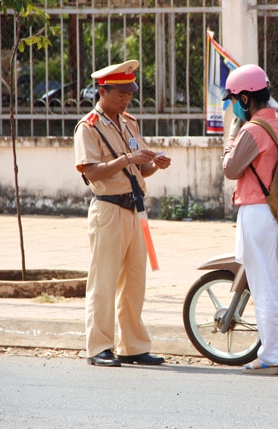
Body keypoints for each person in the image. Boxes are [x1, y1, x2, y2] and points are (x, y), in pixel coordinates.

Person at [74, 60, 171, 367]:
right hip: (109, 210)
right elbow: (92, 172)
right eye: (120, 93)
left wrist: (155, 163)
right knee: (103, 282)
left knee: (134, 281)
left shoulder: (130, 123)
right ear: (103, 90)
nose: (126, 98)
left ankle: (132, 346)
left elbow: (141, 168)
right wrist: (128, 157)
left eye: (130, 92)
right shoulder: (88, 127)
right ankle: (99, 346)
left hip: (136, 210)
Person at [221, 64, 278, 375]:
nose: (232, 106)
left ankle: (269, 357)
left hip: (258, 214)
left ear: (244, 98)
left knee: (265, 288)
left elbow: (231, 169)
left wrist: (232, 135)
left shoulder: (252, 130)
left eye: (232, 100)